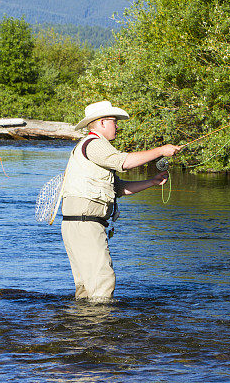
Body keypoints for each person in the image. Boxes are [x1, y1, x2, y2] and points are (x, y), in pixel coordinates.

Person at [60, 101, 181, 301]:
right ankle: (101, 329)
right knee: (103, 281)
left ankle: (82, 327)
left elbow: (118, 189)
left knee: (87, 287)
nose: (117, 126)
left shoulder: (92, 147)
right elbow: (123, 162)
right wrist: (160, 150)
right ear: (100, 123)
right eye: (114, 121)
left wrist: (152, 181)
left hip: (80, 223)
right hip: (85, 224)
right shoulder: (94, 144)